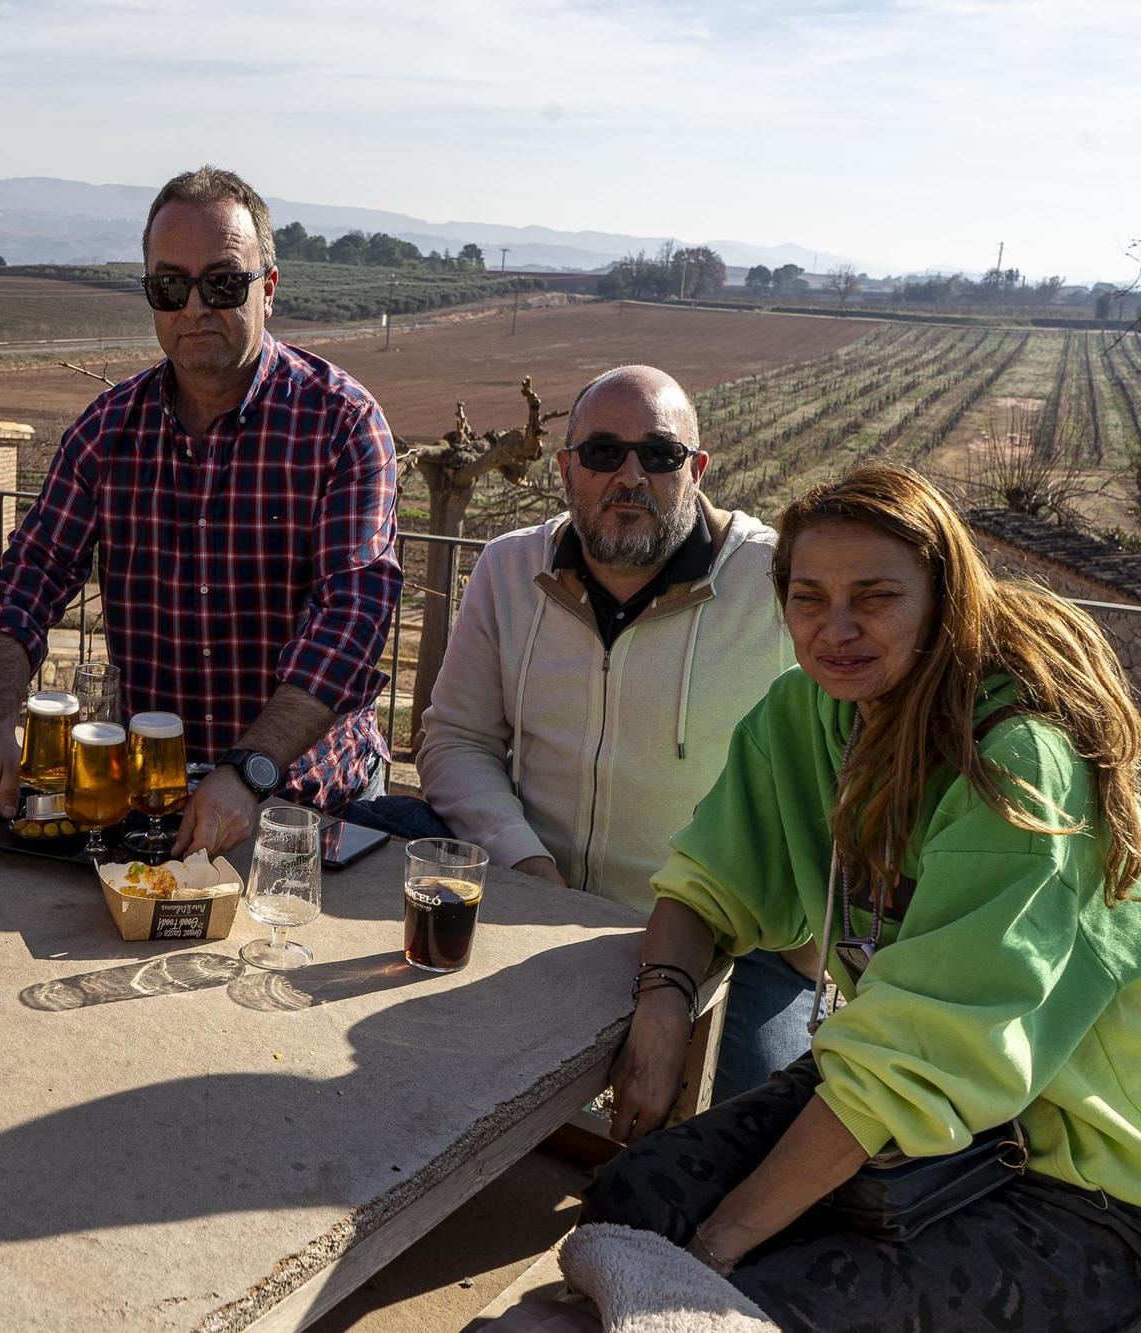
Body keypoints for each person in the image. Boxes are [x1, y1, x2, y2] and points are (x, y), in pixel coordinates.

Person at [582, 464, 1141, 1329]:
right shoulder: (813, 711)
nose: (835, 629)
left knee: (750, 1300)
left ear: (945, 597)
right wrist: (663, 1002)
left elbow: (924, 1048)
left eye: (874, 597)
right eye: (808, 598)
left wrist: (721, 1245)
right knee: (631, 1197)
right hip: (894, 1095)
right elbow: (711, 880)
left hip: (1073, 1169)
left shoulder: (1019, 763)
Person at [364, 365, 805, 1099]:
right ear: (567, 468)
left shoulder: (777, 586)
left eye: (659, 455)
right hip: (529, 902)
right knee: (407, 1068)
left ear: (696, 470)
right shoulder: (510, 569)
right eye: (602, 453)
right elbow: (454, 738)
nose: (629, 475)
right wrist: (530, 870)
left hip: (730, 944)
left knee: (750, 1130)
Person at [0, 166, 400, 856]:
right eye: (170, 286)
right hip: (153, 804)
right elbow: (21, 587)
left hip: (305, 804)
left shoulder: (341, 423)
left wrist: (247, 769)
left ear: (269, 289)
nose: (194, 307)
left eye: (222, 283)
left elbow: (349, 621)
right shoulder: (108, 430)